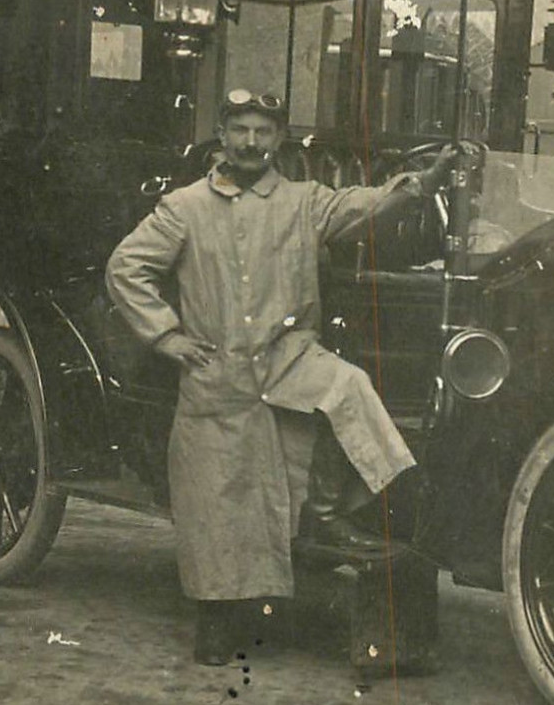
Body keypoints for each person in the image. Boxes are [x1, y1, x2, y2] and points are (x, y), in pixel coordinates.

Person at [105, 89, 452, 665]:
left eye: (263, 131)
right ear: (222, 135)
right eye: (240, 129)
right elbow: (125, 267)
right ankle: (216, 621)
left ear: (279, 139)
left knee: (347, 388)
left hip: (288, 356)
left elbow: (360, 205)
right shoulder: (184, 207)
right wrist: (166, 336)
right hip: (218, 372)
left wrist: (421, 184)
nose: (250, 142)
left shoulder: (303, 202)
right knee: (218, 504)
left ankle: (357, 503)